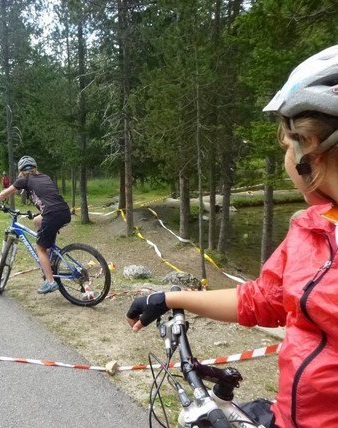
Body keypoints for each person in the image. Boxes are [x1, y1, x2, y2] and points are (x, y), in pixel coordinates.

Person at [126, 45, 338, 428]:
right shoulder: (314, 226)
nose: (287, 154)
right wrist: (170, 297)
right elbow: (264, 300)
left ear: (309, 147)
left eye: (287, 143)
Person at [0, 156, 71, 294]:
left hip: (51, 214)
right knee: (36, 221)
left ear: (21, 170)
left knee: (39, 248)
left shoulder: (24, 178)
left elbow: (5, 193)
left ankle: (51, 282)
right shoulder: (45, 176)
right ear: (35, 167)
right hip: (64, 211)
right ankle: (49, 254)